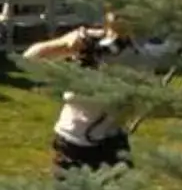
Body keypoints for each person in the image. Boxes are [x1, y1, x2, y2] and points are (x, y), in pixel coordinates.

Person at [26, 24, 134, 169]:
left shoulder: (137, 51)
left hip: (113, 140)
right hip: (73, 141)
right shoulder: (87, 41)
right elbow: (29, 58)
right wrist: (64, 44)